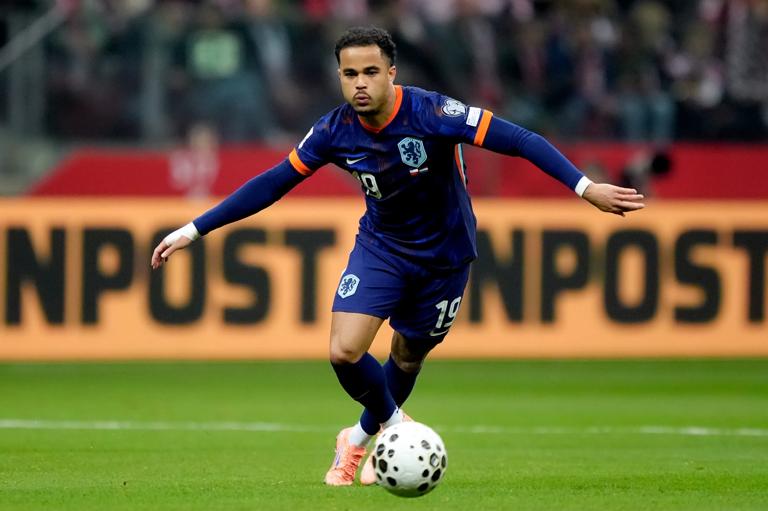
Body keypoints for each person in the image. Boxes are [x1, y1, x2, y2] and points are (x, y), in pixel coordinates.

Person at [150, 26, 645, 487]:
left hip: (446, 257)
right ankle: (395, 426)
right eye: (349, 74)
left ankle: (357, 439)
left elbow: (519, 139)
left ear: (391, 73)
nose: (360, 84)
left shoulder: (433, 113)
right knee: (344, 351)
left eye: (370, 72)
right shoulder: (333, 131)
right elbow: (274, 183)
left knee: (407, 356)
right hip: (382, 248)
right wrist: (196, 228)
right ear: (339, 77)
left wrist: (585, 187)